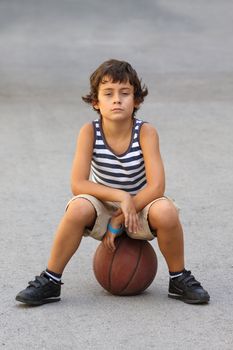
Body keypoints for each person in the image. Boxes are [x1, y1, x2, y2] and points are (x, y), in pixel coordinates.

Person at [16, 59, 210, 305]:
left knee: (167, 211)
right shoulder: (89, 132)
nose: (117, 99)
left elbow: (157, 186)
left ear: (136, 100)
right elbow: (78, 183)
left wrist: (126, 211)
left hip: (140, 208)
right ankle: (51, 280)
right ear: (96, 102)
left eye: (125, 93)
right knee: (77, 207)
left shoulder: (146, 133)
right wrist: (120, 198)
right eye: (108, 93)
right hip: (106, 207)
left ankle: (178, 278)